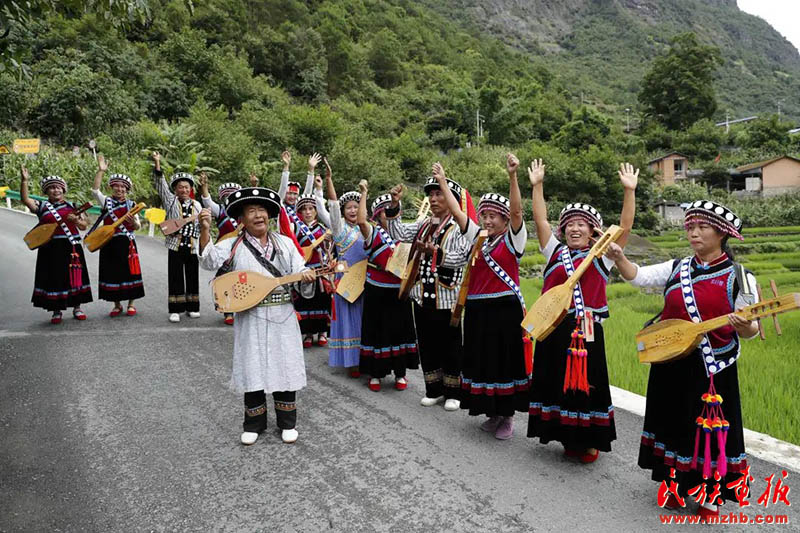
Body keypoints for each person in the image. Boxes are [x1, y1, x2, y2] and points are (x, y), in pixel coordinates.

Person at [605, 200, 757, 522]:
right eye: (690, 227)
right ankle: (674, 484)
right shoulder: (677, 267)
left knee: (708, 434)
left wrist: (747, 327)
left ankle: (709, 493)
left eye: (702, 227)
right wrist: (620, 259)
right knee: (672, 424)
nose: (694, 233)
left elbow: (751, 329)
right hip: (671, 361)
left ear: (722, 233)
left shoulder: (740, 277)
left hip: (711, 370)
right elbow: (637, 277)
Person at [526, 161, 638, 463]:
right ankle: (564, 435)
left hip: (585, 330)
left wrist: (629, 191)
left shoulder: (602, 257)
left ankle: (589, 441)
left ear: (592, 231)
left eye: (582, 224)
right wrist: (537, 185)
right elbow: (540, 221)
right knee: (554, 380)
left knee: (586, 386)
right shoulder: (555, 251)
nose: (575, 228)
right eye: (570, 224)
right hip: (553, 326)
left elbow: (624, 229)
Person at [198, 187, 316, 445]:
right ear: (242, 218)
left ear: (270, 215)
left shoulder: (284, 243)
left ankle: (287, 422)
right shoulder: (231, 245)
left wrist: (306, 275)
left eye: (262, 210)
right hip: (250, 315)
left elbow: (299, 270)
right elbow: (207, 262)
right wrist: (205, 229)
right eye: (251, 211)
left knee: (284, 363)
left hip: (282, 314)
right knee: (252, 365)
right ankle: (254, 423)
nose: (258, 215)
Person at [436, 154, 529, 439]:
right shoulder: (478, 237)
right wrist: (442, 181)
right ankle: (492, 412)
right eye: (485, 216)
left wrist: (513, 176)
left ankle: (507, 416)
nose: (488, 220)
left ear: (503, 219)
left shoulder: (513, 240)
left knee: (503, 363)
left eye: (493, 217)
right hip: (478, 311)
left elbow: (517, 212)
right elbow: (457, 212)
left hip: (504, 311)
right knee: (483, 361)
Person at [383, 164, 473, 411]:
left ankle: (454, 391)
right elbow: (399, 232)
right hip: (422, 296)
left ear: (451, 198)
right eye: (431, 195)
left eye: (439, 194)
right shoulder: (424, 224)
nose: (433, 199)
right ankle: (434, 388)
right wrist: (394, 206)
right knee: (427, 342)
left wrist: (436, 253)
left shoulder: (459, 226)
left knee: (451, 343)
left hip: (447, 296)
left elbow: (461, 257)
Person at [356, 180, 419, 392]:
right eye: (382, 212)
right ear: (376, 215)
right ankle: (376, 374)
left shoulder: (403, 234)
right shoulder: (372, 233)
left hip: (399, 291)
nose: (386, 215)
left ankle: (400, 373)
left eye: (389, 211)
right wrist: (364, 193)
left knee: (399, 331)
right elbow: (360, 220)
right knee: (377, 331)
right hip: (376, 289)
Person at [21, 166, 92, 323]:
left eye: (58, 187)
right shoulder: (42, 207)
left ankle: (77, 307)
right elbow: (26, 200)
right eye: (52, 188)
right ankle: (56, 310)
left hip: (72, 246)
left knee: (75, 277)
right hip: (50, 248)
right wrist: (24, 181)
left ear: (63, 189)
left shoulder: (73, 206)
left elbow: (84, 225)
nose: (56, 190)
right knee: (54, 278)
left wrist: (77, 220)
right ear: (46, 192)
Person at [323, 159, 366, 377]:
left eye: (357, 208)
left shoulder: (368, 230)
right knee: (349, 320)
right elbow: (332, 204)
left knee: (364, 321)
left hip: (365, 282)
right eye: (349, 208)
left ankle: (366, 357)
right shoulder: (339, 230)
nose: (352, 211)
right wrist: (329, 180)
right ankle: (351, 361)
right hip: (346, 282)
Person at [199, 172, 258, 325]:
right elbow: (207, 202)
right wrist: (204, 186)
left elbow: (253, 201)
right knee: (225, 278)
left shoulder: (243, 213)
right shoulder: (220, 210)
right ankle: (227, 310)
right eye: (227, 196)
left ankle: (244, 306)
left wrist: (253, 186)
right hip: (225, 250)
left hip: (244, 247)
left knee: (244, 277)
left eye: (233, 195)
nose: (229, 198)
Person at [89, 154, 144, 317]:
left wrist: (132, 223)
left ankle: (131, 304)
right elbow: (95, 191)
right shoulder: (106, 202)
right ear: (112, 187)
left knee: (130, 272)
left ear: (127, 190)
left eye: (123, 187)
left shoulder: (132, 205)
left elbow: (137, 226)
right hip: (109, 242)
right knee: (112, 272)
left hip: (127, 243)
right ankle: (117, 304)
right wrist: (101, 171)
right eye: (117, 186)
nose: (120, 189)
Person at [151, 151, 203, 323]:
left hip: (192, 245)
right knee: (175, 277)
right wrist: (157, 163)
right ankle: (175, 309)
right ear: (175, 189)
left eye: (187, 187)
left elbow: (202, 226)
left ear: (191, 189)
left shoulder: (197, 205)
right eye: (181, 187)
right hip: (175, 244)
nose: (184, 190)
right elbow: (160, 184)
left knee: (192, 276)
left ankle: (193, 307)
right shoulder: (170, 200)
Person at [293, 172, 333, 347]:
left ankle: (323, 332)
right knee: (306, 301)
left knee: (322, 301)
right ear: (300, 212)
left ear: (316, 211)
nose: (308, 212)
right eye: (304, 209)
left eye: (311, 209)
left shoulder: (324, 228)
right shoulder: (297, 229)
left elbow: (331, 250)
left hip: (321, 270)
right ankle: (308, 334)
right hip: (306, 269)